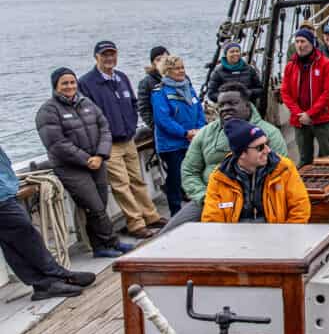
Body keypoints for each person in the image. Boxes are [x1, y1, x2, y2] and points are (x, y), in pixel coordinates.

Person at [165, 81, 288, 232]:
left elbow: (279, 174)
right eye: (221, 105)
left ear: (247, 106)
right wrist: (204, 196)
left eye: (232, 103)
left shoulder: (269, 134)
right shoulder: (205, 134)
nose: (226, 108)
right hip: (210, 197)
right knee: (168, 235)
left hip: (252, 201)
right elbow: (189, 171)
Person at [36, 68, 128, 256]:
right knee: (93, 205)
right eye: (64, 83)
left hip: (97, 161)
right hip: (71, 167)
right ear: (56, 86)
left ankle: (104, 245)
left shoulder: (87, 103)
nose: (70, 86)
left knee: (101, 203)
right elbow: (57, 144)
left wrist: (100, 155)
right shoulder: (48, 111)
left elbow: (104, 128)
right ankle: (106, 244)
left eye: (72, 82)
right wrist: (86, 160)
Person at [77, 40, 165, 236]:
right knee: (121, 185)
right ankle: (136, 224)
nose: (109, 58)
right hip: (108, 143)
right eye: (104, 55)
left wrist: (132, 124)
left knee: (138, 180)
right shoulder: (87, 83)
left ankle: (151, 215)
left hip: (128, 139)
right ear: (96, 57)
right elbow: (87, 115)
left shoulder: (121, 78)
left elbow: (134, 104)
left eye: (112, 54)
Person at [0, 144, 97, 299]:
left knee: (12, 242)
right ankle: (54, 277)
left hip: (6, 189)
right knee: (24, 233)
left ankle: (45, 283)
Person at [202, 119, 311, 224]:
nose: (267, 150)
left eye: (266, 143)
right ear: (241, 153)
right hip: (235, 239)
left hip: (277, 237)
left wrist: (285, 237)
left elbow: (300, 208)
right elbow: (212, 221)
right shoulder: (219, 178)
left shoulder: (284, 168)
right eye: (260, 147)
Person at [150, 55, 205, 220]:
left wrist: (199, 129)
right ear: (167, 71)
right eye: (177, 68)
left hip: (192, 140)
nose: (181, 71)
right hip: (172, 144)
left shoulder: (189, 87)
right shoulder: (160, 92)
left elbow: (198, 110)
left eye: (183, 67)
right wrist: (184, 133)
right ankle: (175, 213)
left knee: (197, 173)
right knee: (175, 178)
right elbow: (163, 120)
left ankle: (199, 207)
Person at [281, 28, 329, 166]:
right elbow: (285, 92)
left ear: (312, 43)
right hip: (300, 119)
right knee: (305, 158)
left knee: (328, 156)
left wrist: (310, 113)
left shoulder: (325, 64)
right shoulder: (290, 66)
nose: (299, 45)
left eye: (303, 41)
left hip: (322, 118)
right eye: (297, 42)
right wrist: (299, 113)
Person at [136, 45, 168, 130]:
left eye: (165, 58)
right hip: (162, 129)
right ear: (153, 63)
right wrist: (156, 127)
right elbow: (144, 109)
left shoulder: (180, 77)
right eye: (158, 59)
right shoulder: (146, 83)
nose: (162, 62)